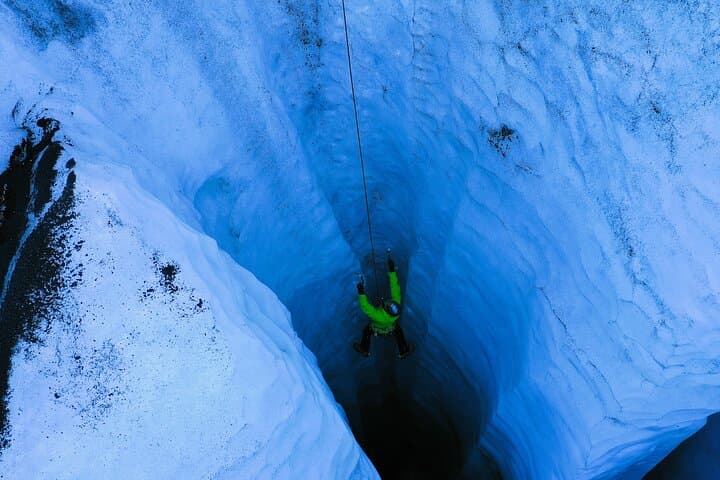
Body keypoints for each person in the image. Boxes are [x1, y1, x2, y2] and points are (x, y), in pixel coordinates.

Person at [354, 251, 413, 359]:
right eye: (392, 303)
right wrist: (392, 271)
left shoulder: (378, 315)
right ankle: (403, 350)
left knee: (366, 331)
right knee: (399, 332)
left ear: (387, 310)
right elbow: (395, 288)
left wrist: (361, 293)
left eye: (389, 305)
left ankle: (364, 349)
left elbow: (366, 307)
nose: (390, 303)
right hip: (391, 328)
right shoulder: (396, 304)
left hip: (377, 329)